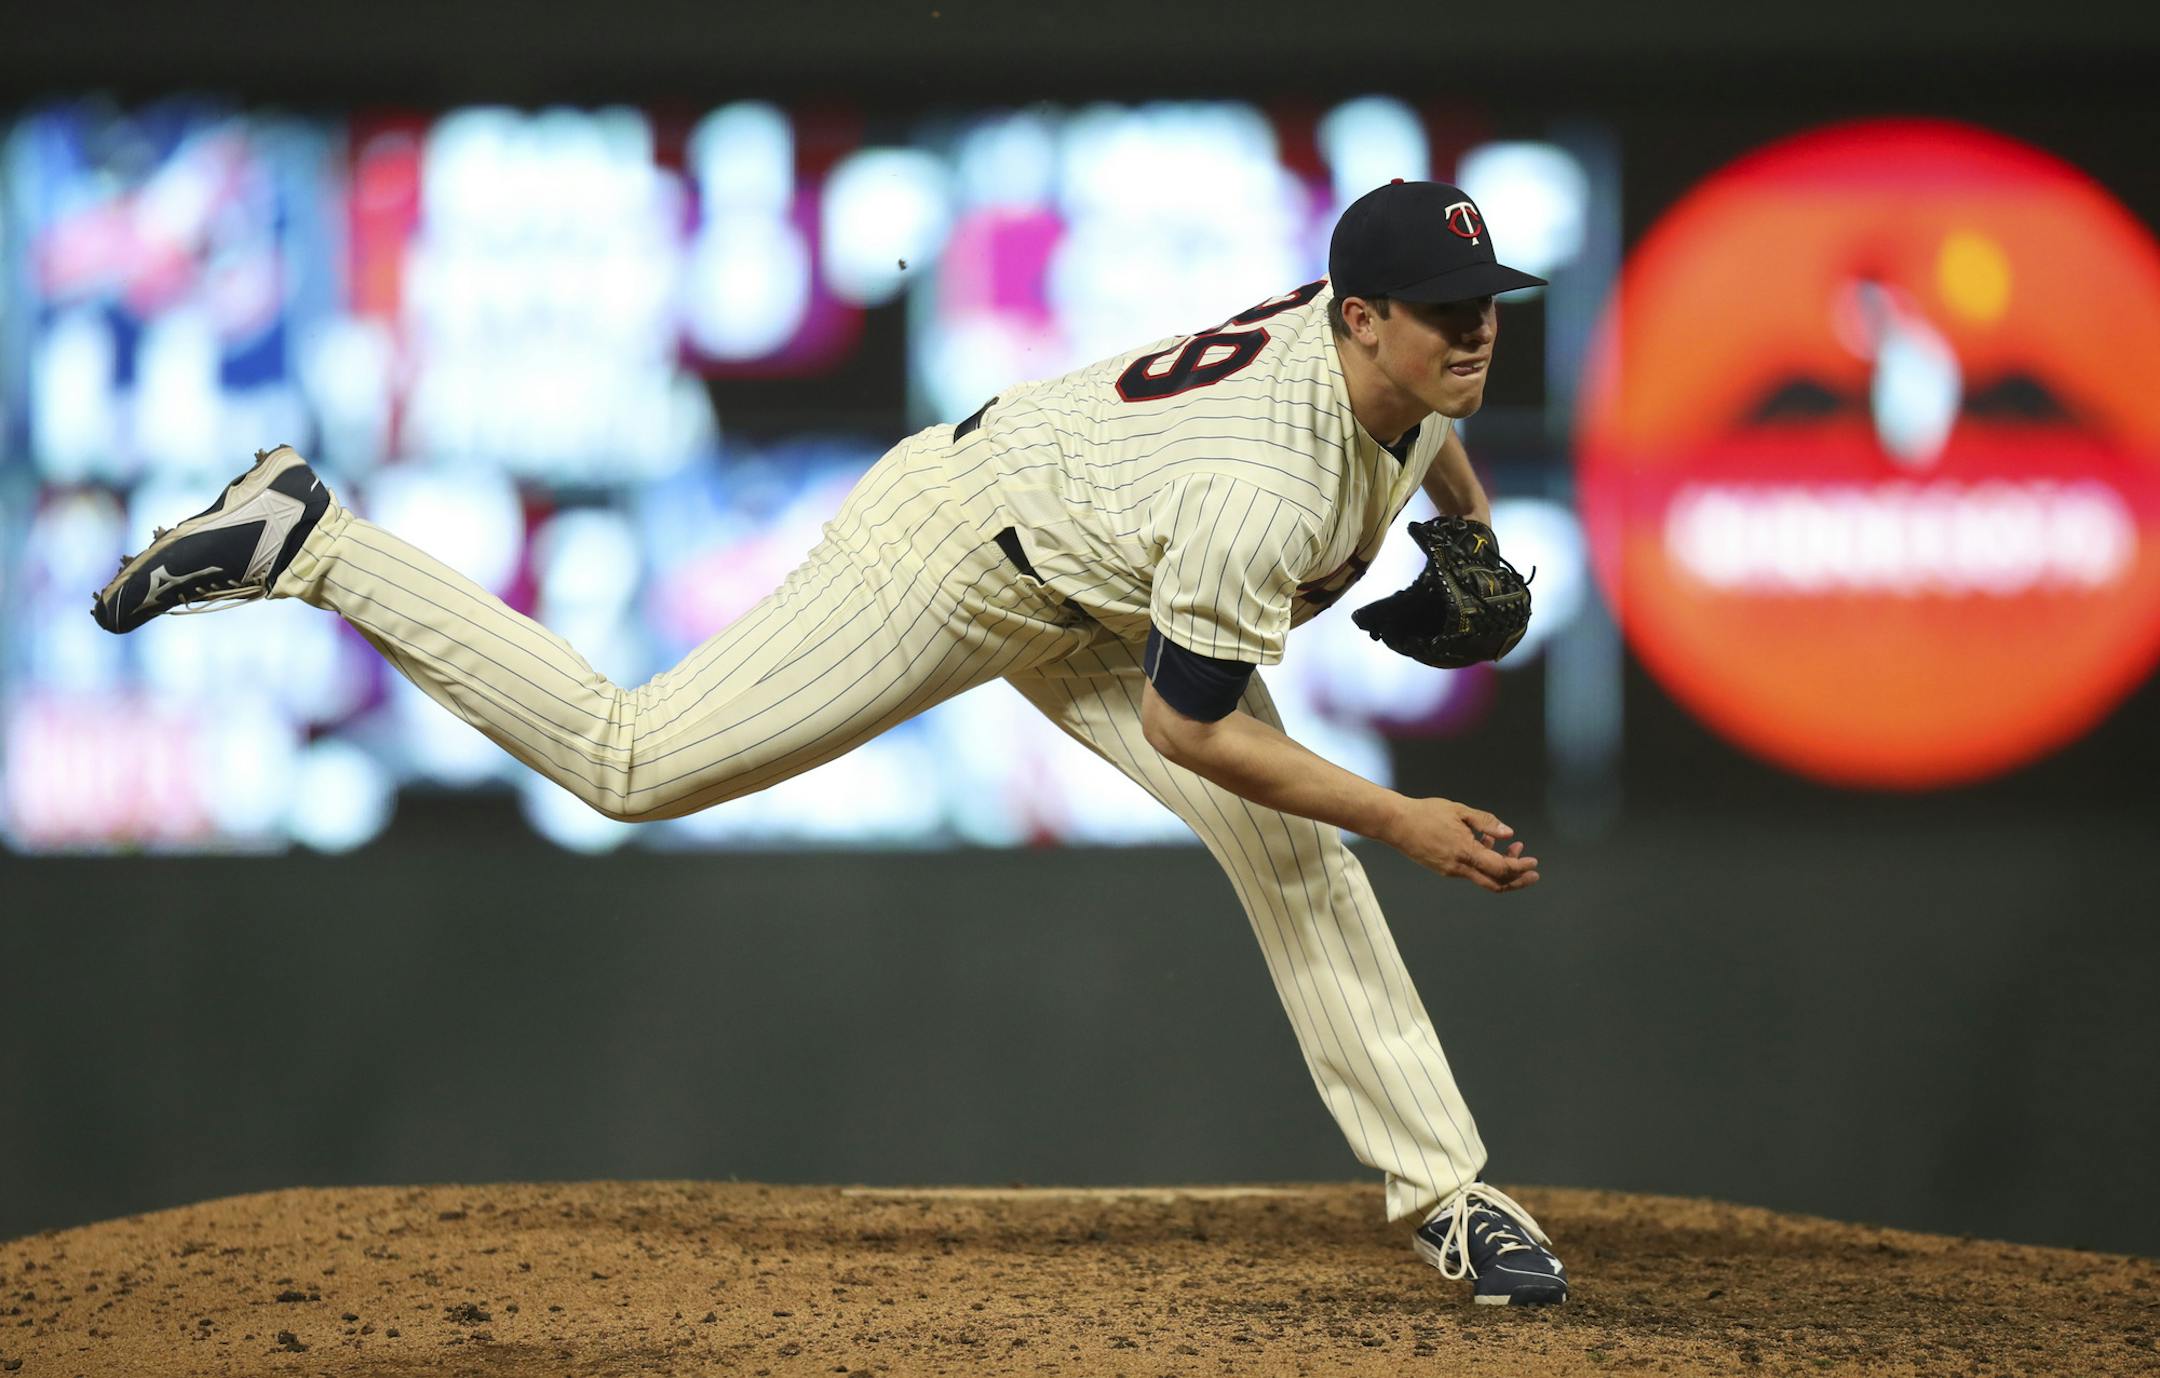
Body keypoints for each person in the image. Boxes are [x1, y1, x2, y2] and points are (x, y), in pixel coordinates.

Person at [94, 179, 1568, 1304]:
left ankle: (1447, 1191)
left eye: (1486, 301)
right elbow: (1196, 729)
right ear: (1356, 314)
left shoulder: (1388, 362)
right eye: (1446, 309)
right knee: (630, 759)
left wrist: (1473, 537)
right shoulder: (1263, 479)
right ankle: (316, 539)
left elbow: (1419, 431)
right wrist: (1404, 812)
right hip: (960, 547)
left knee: (1294, 858)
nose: (1478, 329)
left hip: (1105, 562)